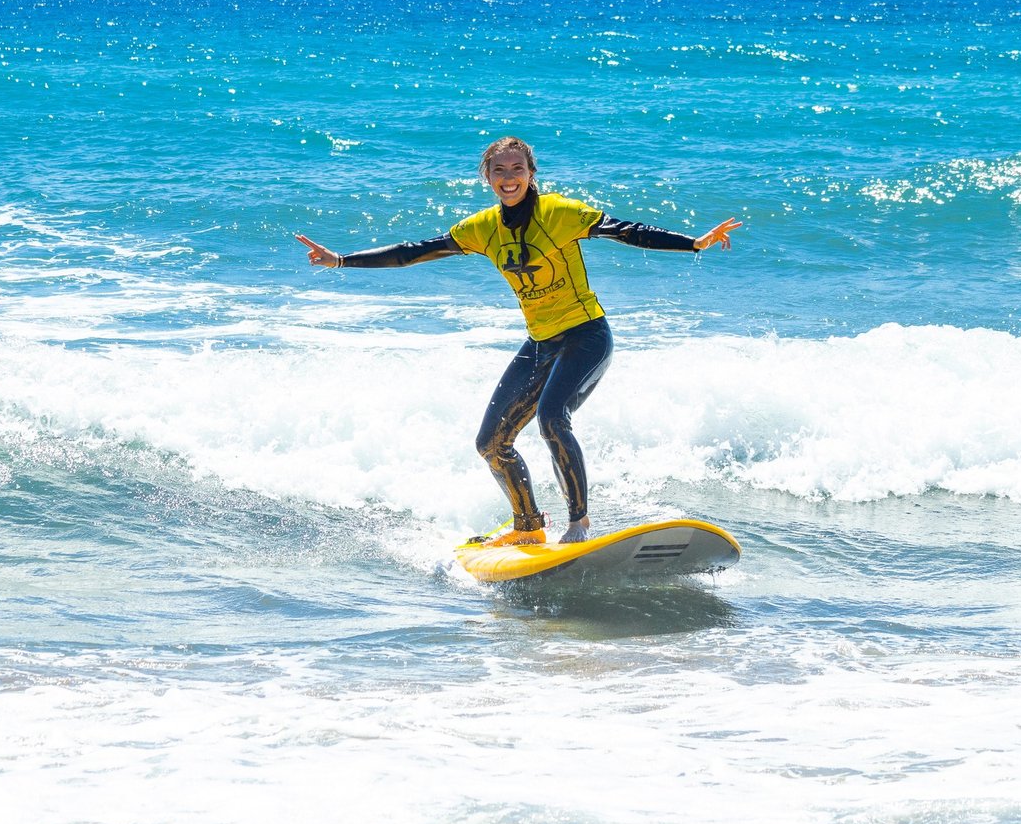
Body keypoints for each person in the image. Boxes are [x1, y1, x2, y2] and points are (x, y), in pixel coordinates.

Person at [296, 136, 741, 545]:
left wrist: (694, 243)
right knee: (491, 442)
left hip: (586, 335)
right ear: (487, 178)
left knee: (552, 418)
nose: (509, 178)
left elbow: (626, 230)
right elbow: (413, 252)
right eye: (499, 171)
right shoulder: (482, 228)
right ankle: (528, 527)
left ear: (532, 173)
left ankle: (578, 524)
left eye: (517, 169)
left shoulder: (561, 214)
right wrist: (341, 261)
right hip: (541, 343)